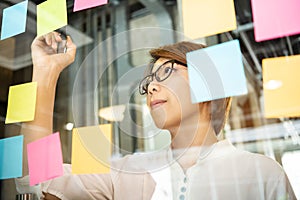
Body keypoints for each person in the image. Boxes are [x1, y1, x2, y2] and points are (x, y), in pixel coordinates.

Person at [15, 32, 296, 200]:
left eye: (167, 72)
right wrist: (46, 72)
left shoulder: (262, 174)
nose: (151, 86)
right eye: (149, 80)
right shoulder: (128, 172)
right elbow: (40, 178)